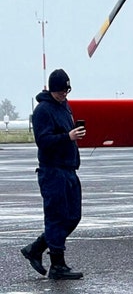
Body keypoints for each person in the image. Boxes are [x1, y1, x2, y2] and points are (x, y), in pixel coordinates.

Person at [21, 68, 86, 280]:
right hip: (52, 171)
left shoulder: (65, 107)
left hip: (69, 169)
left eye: (66, 91)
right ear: (52, 90)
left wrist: (73, 137)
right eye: (60, 92)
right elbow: (44, 141)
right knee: (56, 217)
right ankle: (57, 265)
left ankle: (36, 248)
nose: (64, 95)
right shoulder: (43, 111)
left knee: (73, 216)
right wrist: (67, 137)